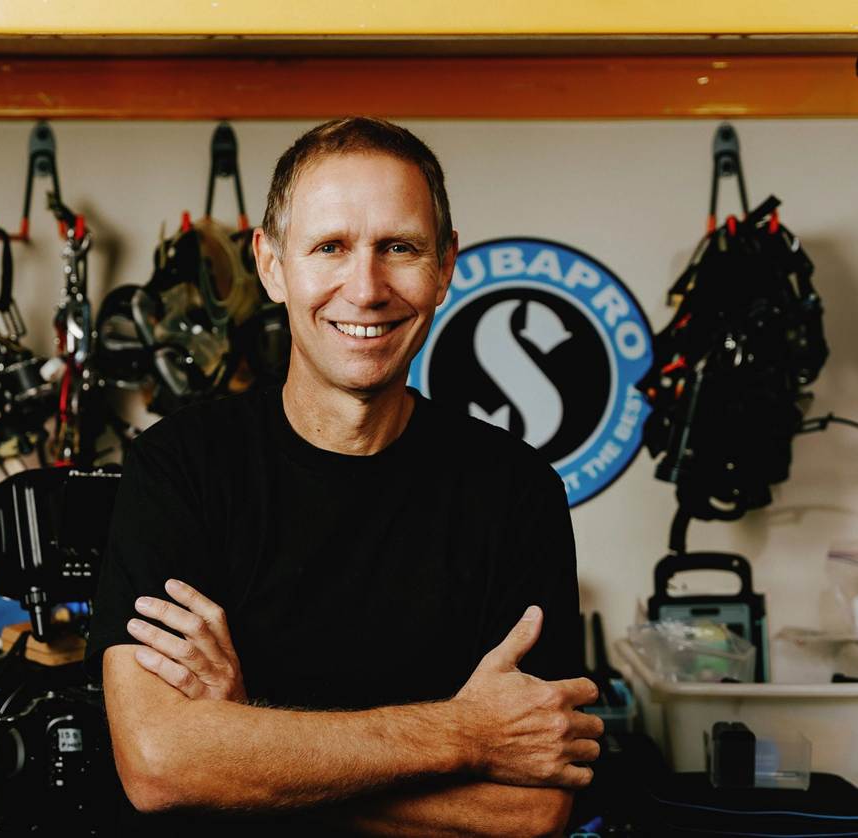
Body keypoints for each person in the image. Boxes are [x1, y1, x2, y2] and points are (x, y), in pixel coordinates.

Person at [87, 117, 603, 837]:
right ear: (271, 265)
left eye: (400, 248)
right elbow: (160, 763)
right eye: (329, 247)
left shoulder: (516, 490)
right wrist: (467, 734)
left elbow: (532, 809)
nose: (365, 289)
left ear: (445, 266)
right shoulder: (180, 467)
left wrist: (244, 745)